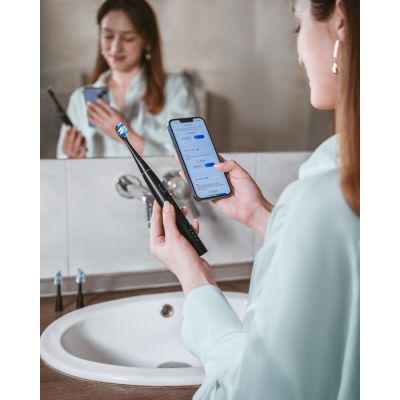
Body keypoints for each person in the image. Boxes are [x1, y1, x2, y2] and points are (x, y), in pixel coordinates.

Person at [150, 0, 360, 398]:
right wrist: (260, 213)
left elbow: (257, 390)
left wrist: (195, 279)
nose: (299, 57)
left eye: (298, 28)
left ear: (341, 23)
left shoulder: (322, 196)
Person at [56, 0, 198, 159]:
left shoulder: (176, 89)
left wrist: (126, 134)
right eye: (108, 36)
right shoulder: (80, 99)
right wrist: (74, 160)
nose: (115, 47)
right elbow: (64, 169)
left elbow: (190, 159)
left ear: (147, 41)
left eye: (128, 38)